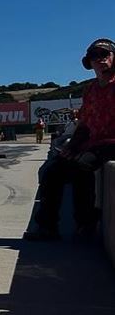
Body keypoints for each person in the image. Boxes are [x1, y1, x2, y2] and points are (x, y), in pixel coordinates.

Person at [25, 38, 115, 240]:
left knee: (81, 166)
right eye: (95, 56)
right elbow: (84, 123)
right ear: (89, 62)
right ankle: (47, 227)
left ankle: (86, 222)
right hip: (93, 143)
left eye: (105, 55)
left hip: (112, 144)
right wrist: (73, 145)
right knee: (53, 172)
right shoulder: (91, 90)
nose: (100, 60)